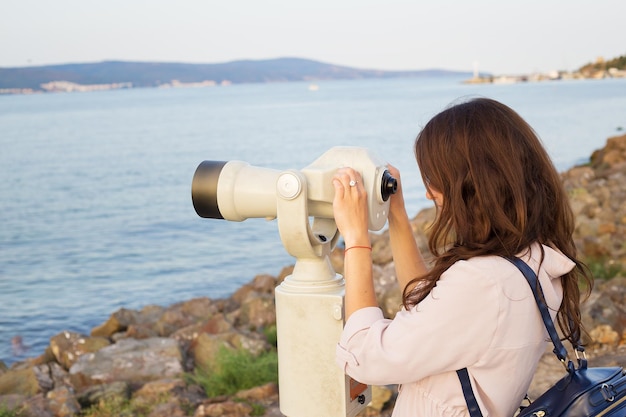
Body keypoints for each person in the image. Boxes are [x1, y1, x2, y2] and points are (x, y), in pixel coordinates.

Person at [332, 97, 592, 416]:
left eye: (434, 178)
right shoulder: (534, 258)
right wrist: (397, 217)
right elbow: (427, 309)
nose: (428, 193)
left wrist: (356, 238)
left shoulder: (486, 282)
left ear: (469, 182)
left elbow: (365, 356)